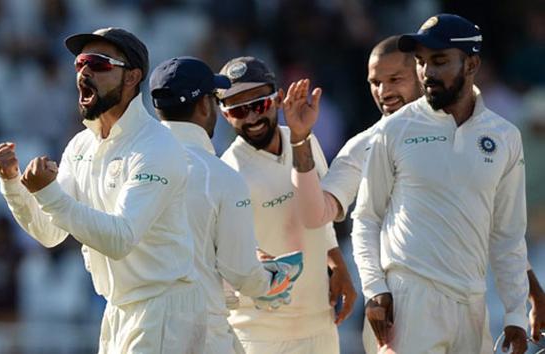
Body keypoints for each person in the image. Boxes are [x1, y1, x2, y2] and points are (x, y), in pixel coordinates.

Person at [287, 35, 545, 353]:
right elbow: (315, 215)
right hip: (400, 308)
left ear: (423, 75)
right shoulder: (369, 142)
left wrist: (529, 291)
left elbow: (495, 225)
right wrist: (300, 142)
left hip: (471, 301)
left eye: (395, 79)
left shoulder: (470, 133)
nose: (383, 92)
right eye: (375, 82)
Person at [0, 27, 206, 353]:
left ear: (132, 77)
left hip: (164, 307)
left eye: (98, 63)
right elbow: (50, 233)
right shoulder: (81, 146)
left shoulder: (156, 146)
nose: (84, 72)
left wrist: (48, 193)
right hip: (118, 310)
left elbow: (120, 238)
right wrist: (13, 185)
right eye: (79, 63)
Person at [352, 14, 529, 353]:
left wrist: (515, 315)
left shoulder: (504, 137)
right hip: (409, 301)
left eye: (440, 61)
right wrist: (375, 288)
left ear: (472, 63)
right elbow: (366, 217)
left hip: (473, 302)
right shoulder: (395, 129)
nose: (427, 73)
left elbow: (507, 235)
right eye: (421, 62)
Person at [149, 56, 302, 354]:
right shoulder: (219, 176)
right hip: (199, 331)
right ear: (206, 105)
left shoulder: (136, 165)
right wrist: (272, 279)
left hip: (133, 328)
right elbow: (242, 272)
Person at [217, 56, 356, 354]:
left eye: (260, 105)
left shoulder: (303, 138)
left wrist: (338, 265)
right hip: (258, 333)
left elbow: (320, 212)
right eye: (239, 110)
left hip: (319, 323)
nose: (252, 118)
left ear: (278, 99)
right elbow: (225, 249)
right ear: (226, 116)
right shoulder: (227, 170)